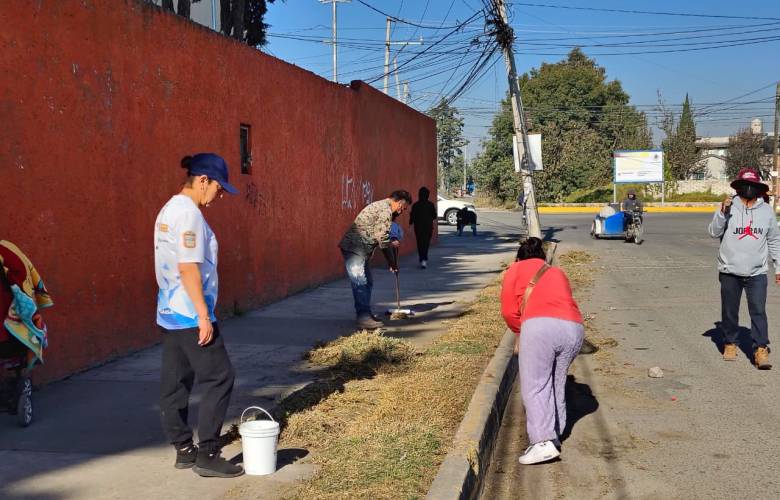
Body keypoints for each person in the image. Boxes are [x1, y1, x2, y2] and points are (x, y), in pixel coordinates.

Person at [154, 153, 244, 478]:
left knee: (176, 381)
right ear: (203, 180)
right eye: (218, 189)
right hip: (190, 313)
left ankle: (183, 449)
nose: (219, 197)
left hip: (169, 312)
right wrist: (204, 315)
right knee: (221, 377)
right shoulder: (189, 214)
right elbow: (188, 266)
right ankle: (208, 453)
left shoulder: (169, 209)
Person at [500, 237, 584, 465]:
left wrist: (521, 331)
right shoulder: (556, 272)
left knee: (536, 386)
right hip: (574, 328)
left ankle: (542, 442)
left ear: (518, 257)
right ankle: (555, 435)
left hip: (539, 327)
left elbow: (509, 311)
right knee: (556, 383)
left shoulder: (515, 270)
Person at [708, 167, 780, 369]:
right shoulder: (728, 207)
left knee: (758, 311)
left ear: (759, 189)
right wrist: (723, 212)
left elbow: (774, 239)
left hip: (757, 271)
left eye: (752, 186)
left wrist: (778, 266)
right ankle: (730, 343)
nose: (748, 189)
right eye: (744, 185)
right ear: (738, 187)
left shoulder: (765, 211)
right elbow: (713, 232)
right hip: (729, 270)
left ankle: (760, 349)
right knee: (730, 311)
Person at [339, 190, 412, 329]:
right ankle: (363, 317)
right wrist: (392, 263)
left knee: (367, 282)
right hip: (355, 248)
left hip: (361, 249)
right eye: (404, 207)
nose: (402, 211)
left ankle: (366, 313)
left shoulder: (383, 207)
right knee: (360, 282)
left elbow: (383, 236)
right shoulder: (385, 210)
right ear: (399, 202)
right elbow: (383, 240)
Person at [409, 187, 436, 269]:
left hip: (418, 228)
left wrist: (410, 223)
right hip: (428, 227)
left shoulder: (415, 205)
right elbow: (434, 216)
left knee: (420, 243)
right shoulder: (430, 205)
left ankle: (422, 259)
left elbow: (412, 216)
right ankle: (424, 259)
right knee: (426, 244)